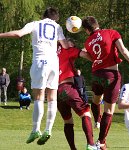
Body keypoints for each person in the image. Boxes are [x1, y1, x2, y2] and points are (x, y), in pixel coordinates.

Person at [0, 7, 69, 145]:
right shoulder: (57, 27)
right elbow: (66, 46)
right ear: (56, 18)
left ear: (44, 16)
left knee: (38, 96)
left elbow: (19, 34)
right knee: (52, 97)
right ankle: (48, 130)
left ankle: (36, 129)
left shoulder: (35, 24)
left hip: (40, 61)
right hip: (54, 63)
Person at [82, 16, 129, 149]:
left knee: (96, 101)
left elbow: (93, 57)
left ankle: (97, 120)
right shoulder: (111, 32)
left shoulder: (88, 42)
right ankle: (101, 142)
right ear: (97, 24)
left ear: (86, 29)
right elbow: (123, 50)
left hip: (96, 74)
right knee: (109, 110)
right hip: (111, 75)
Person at [57, 38, 97, 150]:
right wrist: (98, 61)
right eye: (72, 44)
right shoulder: (69, 49)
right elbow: (85, 55)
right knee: (86, 114)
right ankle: (91, 144)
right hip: (67, 87)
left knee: (68, 121)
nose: (72, 46)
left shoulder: (53, 51)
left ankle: (73, 149)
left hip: (56, 92)